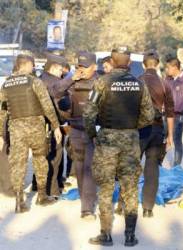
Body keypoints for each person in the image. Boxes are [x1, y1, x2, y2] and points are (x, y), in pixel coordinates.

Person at [84, 47, 154, 247]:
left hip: (106, 140)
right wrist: (131, 128)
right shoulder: (140, 85)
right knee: (130, 189)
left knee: (106, 189)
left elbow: (88, 114)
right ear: (129, 63)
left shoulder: (102, 82)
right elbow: (149, 116)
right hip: (131, 141)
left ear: (113, 62)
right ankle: (130, 236)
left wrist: (93, 135)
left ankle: (105, 235)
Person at [0, 54, 62, 213]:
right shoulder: (35, 81)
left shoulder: (6, 84)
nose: (33, 68)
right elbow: (47, 105)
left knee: (18, 164)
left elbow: (2, 112)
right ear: (26, 65)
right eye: (32, 65)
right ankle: (42, 196)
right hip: (36, 127)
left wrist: (1, 134)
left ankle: (19, 200)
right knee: (40, 160)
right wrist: (55, 126)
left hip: (16, 129)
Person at [35, 53, 81, 196]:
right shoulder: (48, 81)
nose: (62, 73)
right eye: (61, 70)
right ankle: (52, 190)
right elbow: (57, 93)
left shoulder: (43, 79)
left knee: (52, 156)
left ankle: (45, 185)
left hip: (50, 124)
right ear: (54, 68)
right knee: (54, 157)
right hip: (51, 124)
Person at [138, 51, 174, 218]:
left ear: (143, 64)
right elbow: (170, 113)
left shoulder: (137, 81)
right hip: (157, 129)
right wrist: (171, 136)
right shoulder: (164, 83)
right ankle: (147, 209)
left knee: (131, 167)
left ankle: (123, 206)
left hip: (138, 130)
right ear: (158, 64)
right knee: (152, 167)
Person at [68, 52, 98, 220]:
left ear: (94, 66)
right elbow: (57, 92)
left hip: (93, 130)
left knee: (89, 167)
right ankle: (85, 199)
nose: (82, 70)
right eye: (79, 66)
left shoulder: (100, 82)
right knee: (79, 166)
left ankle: (86, 208)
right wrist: (70, 79)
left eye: (85, 67)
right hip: (75, 129)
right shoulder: (72, 82)